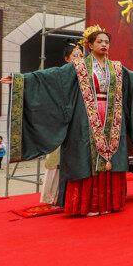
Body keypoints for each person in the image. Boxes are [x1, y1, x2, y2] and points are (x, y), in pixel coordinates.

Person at [1, 25, 133, 216]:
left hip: (112, 117)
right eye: (99, 41)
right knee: (85, 156)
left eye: (107, 42)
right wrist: (21, 80)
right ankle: (87, 205)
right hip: (85, 118)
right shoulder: (79, 67)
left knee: (111, 157)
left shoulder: (117, 67)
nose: (104, 45)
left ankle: (109, 203)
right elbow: (53, 77)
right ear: (90, 45)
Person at [40, 40, 83, 205]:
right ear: (67, 58)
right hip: (62, 121)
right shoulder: (60, 75)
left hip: (78, 123)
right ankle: (53, 197)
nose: (79, 59)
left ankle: (72, 197)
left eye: (81, 55)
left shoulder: (85, 76)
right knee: (57, 160)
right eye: (75, 55)